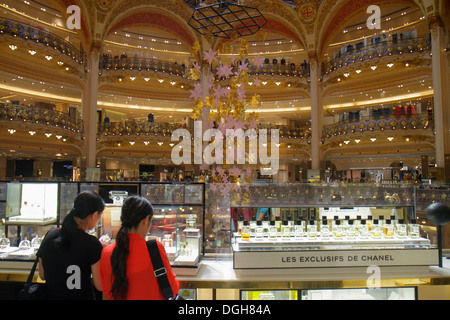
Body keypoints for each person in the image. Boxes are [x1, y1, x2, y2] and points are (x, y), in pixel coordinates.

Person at [100, 196, 179, 300]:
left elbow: (106, 289)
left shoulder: (107, 252)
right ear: (145, 220)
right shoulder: (155, 249)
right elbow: (172, 288)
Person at [38, 191, 105, 300]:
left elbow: (42, 275)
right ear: (94, 215)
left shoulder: (50, 235)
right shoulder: (91, 243)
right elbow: (100, 285)